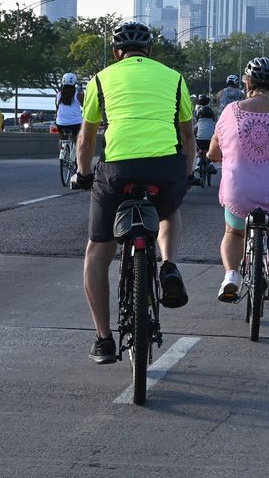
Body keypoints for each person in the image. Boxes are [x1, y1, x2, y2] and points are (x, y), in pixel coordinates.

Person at [70, 20, 195, 364]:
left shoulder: (101, 79)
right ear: (151, 52)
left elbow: (87, 137)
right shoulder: (174, 78)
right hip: (165, 167)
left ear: (116, 53)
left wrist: (82, 174)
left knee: (97, 252)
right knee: (169, 210)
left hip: (118, 170)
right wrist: (187, 174)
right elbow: (187, 134)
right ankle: (168, 265)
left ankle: (104, 339)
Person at [208, 57, 269, 301]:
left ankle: (231, 275)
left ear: (247, 82)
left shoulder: (230, 112)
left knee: (233, 232)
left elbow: (213, 153)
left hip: (239, 192)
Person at [193, 94, 218, 178]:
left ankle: (198, 163)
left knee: (198, 148)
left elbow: (194, 131)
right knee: (210, 148)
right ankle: (211, 163)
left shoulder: (198, 121)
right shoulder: (213, 123)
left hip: (200, 140)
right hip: (209, 141)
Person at [54, 72, 84, 141]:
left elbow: (57, 108)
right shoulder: (79, 95)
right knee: (77, 140)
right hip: (76, 123)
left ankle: (62, 149)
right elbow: (85, 107)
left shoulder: (58, 95)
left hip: (60, 123)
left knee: (62, 140)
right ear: (75, 83)